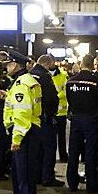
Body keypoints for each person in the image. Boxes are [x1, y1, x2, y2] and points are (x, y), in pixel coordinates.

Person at [3, 52, 43, 194]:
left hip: (25, 134)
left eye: (8, 64)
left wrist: (17, 139)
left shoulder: (21, 84)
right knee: (19, 176)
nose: (6, 67)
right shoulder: (26, 81)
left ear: (16, 65)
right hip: (30, 132)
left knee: (24, 178)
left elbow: (23, 114)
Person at [64, 54, 98, 194]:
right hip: (91, 119)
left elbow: (69, 100)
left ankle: (72, 183)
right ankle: (92, 184)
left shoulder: (71, 82)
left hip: (76, 119)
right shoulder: (96, 81)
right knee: (90, 152)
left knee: (73, 151)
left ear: (82, 64)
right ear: (91, 65)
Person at [30, 55, 63, 187]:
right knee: (49, 148)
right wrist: (52, 113)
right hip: (45, 118)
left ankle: (36, 175)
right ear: (47, 64)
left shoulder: (30, 74)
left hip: (33, 117)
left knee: (36, 149)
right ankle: (48, 177)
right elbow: (51, 97)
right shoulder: (44, 76)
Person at [52, 60, 69, 162]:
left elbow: (65, 90)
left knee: (61, 137)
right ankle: (52, 157)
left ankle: (63, 156)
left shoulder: (63, 75)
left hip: (61, 112)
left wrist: (55, 97)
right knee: (51, 138)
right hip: (51, 112)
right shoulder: (45, 75)